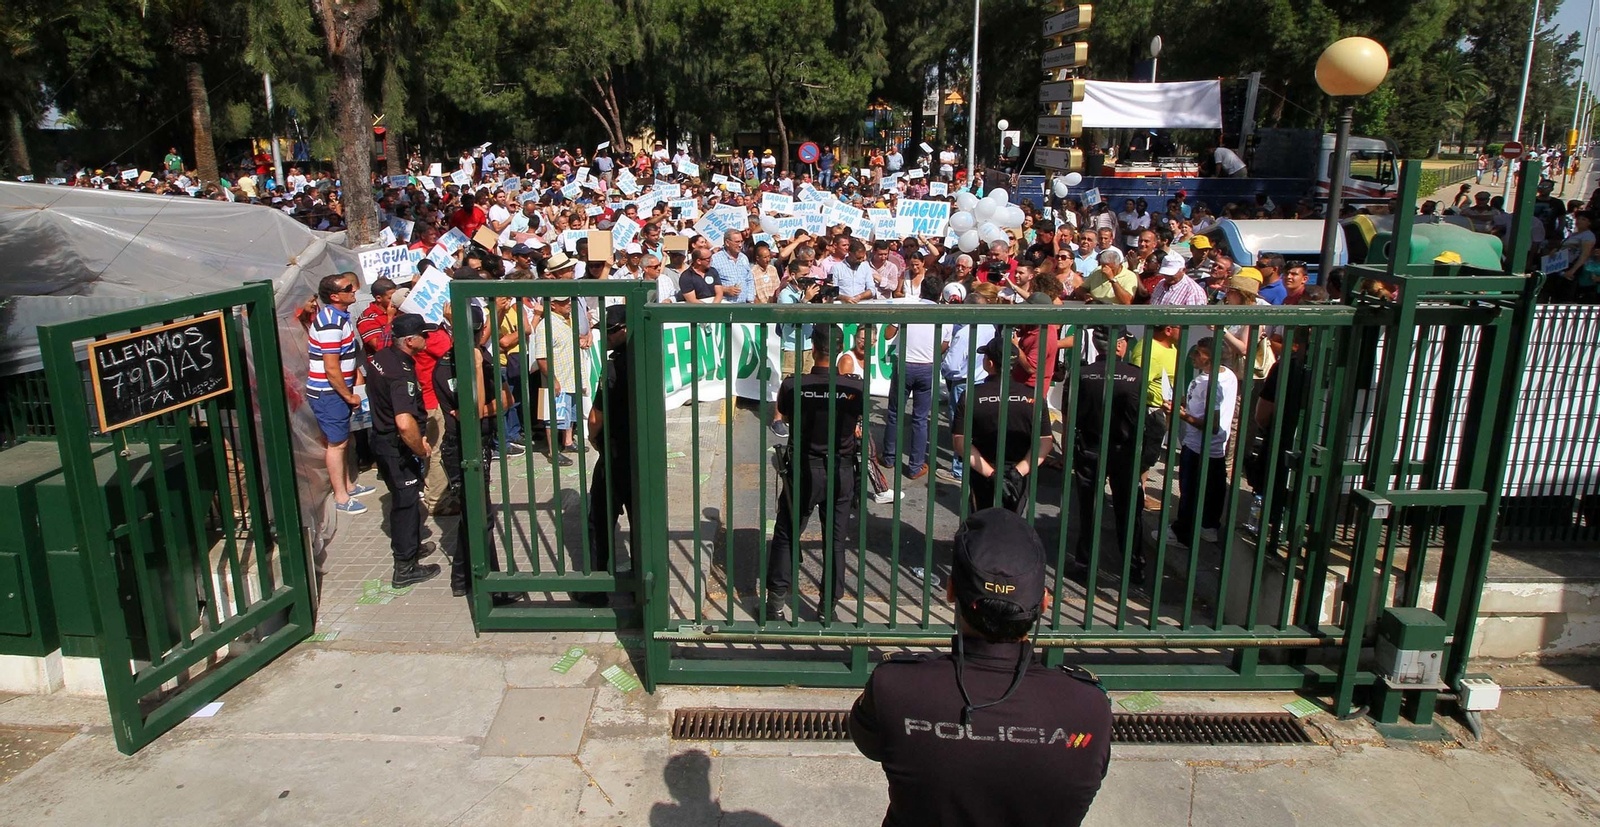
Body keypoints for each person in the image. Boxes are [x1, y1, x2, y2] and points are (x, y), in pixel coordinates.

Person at [848, 508, 1111, 827]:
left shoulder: (894, 686)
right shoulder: (1089, 707)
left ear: (950, 590)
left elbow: (870, 744)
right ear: (1044, 602)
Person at [764, 326, 864, 623]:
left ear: (812, 346)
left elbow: (782, 414)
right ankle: (827, 607)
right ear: (840, 348)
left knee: (786, 533)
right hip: (840, 469)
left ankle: (776, 604)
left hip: (805, 468)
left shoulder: (794, 385)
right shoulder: (855, 387)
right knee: (835, 540)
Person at [433, 304, 511, 597]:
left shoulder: (485, 356)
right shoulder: (447, 367)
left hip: (482, 441)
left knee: (474, 513)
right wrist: (477, 368)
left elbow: (507, 400)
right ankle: (491, 588)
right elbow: (475, 409)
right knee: (481, 516)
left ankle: (461, 578)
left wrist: (482, 410)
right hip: (462, 448)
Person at [368, 313, 444, 587]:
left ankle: (412, 546)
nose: (428, 338)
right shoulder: (401, 374)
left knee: (406, 498)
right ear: (410, 341)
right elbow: (403, 422)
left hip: (380, 439)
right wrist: (420, 447)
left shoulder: (382, 358)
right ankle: (405, 566)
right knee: (406, 503)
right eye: (424, 335)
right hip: (394, 446)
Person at [1070, 330, 1147, 585]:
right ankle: (1133, 565)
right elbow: (1142, 417)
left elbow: (1071, 416)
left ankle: (1084, 564)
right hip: (1124, 449)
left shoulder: (1081, 374)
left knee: (1089, 507)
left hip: (1091, 445)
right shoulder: (1135, 375)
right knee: (1128, 508)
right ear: (1121, 345)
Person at [572, 306, 636, 606]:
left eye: (609, 331)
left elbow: (596, 417)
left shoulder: (613, 368)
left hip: (615, 452)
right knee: (641, 523)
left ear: (623, 329)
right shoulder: (646, 359)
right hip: (641, 454)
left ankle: (596, 587)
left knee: (600, 519)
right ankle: (641, 585)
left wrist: (593, 437)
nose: (604, 338)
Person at [951, 337, 1052, 515]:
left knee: (981, 523)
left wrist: (992, 474)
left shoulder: (971, 396)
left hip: (982, 471)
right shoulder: (1034, 397)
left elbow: (961, 442)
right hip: (1019, 473)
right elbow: (1045, 442)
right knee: (1014, 524)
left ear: (990, 363)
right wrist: (1018, 472)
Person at [1158, 337, 1237, 548]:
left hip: (1197, 445)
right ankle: (1208, 527)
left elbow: (1211, 424)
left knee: (1190, 491)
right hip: (1216, 447)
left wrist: (1181, 415)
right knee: (1213, 489)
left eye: (1198, 353)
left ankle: (1182, 534)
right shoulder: (1227, 377)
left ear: (1209, 358)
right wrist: (1184, 403)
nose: (1193, 356)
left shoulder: (1212, 384)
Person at [308, 273, 374, 515]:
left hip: (338, 391)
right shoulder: (330, 323)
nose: (354, 290)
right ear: (335, 296)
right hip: (329, 393)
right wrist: (348, 396)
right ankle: (341, 496)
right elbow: (331, 366)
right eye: (348, 288)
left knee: (345, 438)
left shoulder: (340, 318)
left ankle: (348, 484)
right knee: (336, 444)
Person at [881, 303, 947, 480]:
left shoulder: (907, 307)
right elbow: (945, 343)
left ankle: (889, 458)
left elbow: (888, 334)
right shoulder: (943, 313)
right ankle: (915, 467)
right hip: (926, 367)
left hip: (905, 364)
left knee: (895, 413)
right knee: (920, 418)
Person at [710, 229, 752, 303]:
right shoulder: (715, 259)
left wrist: (750, 299)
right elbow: (709, 283)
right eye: (737, 242)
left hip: (743, 306)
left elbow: (749, 279)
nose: (740, 245)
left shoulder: (743, 258)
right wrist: (725, 290)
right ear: (727, 243)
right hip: (725, 305)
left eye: (741, 241)